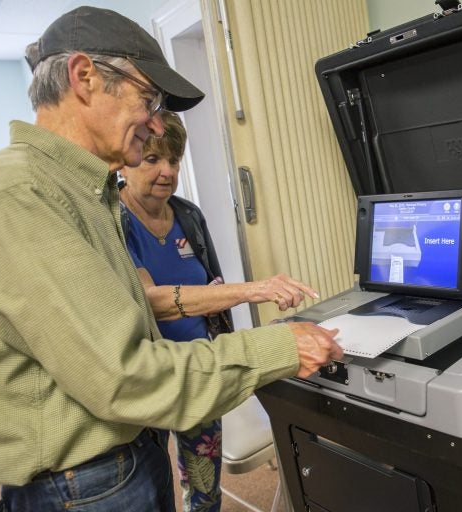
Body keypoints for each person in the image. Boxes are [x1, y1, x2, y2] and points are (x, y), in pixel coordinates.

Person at [0, 7, 342, 512]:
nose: (155, 122)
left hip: (126, 455)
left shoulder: (87, 195)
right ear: (84, 77)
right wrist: (277, 347)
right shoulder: (20, 193)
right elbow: (126, 375)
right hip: (85, 484)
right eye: (149, 98)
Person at [119, 110, 318, 511]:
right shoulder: (114, 220)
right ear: (127, 158)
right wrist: (254, 289)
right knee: (150, 492)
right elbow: (151, 300)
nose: (166, 171)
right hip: (146, 375)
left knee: (204, 490)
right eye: (153, 159)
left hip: (198, 372)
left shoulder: (188, 215)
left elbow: (213, 288)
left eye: (174, 159)